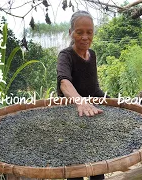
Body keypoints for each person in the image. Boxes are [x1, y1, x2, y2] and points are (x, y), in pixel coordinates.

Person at [56, 10, 107, 180]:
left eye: (89, 32)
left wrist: (116, 101)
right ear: (71, 33)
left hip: (91, 116)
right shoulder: (65, 56)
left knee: (97, 167)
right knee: (75, 171)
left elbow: (95, 89)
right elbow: (64, 82)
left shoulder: (92, 55)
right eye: (79, 32)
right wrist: (80, 102)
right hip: (71, 119)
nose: (85, 37)